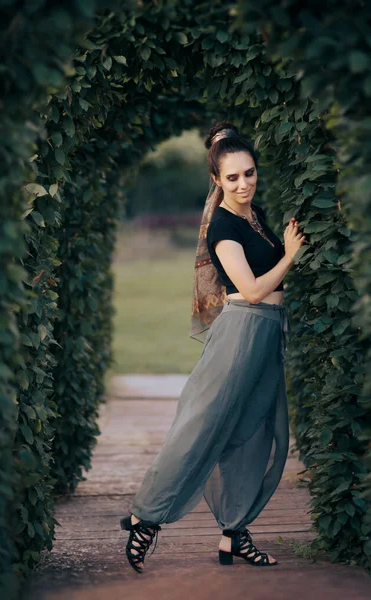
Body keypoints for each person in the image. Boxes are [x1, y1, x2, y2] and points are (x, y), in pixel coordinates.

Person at [120, 120, 306, 573]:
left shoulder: (253, 214)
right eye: (233, 177)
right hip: (241, 334)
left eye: (250, 173)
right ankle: (146, 517)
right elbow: (252, 289)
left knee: (254, 434)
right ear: (216, 181)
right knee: (201, 429)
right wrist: (290, 254)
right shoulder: (223, 226)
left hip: (266, 335)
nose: (244, 184)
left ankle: (234, 534)